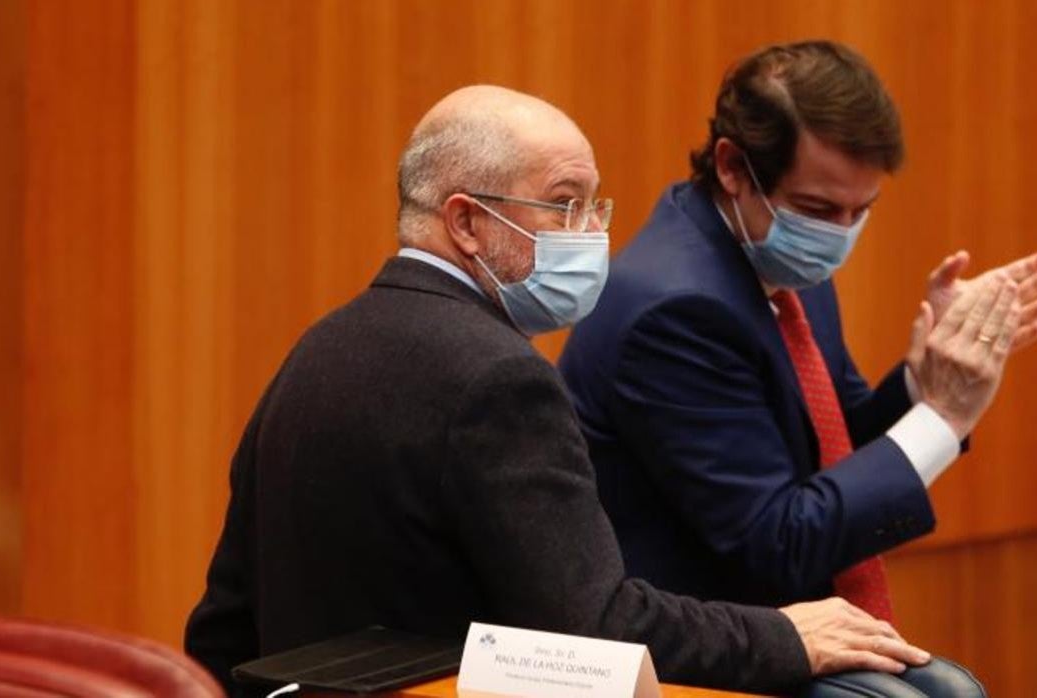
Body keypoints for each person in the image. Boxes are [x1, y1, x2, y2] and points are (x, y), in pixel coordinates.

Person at [183, 85, 941, 697]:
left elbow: (224, 625)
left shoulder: (319, 347)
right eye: (566, 203)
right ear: (467, 223)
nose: (590, 232)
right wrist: (786, 637)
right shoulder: (500, 380)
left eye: (594, 204)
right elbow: (595, 629)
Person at [558, 41, 1037, 696]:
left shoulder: (775, 253)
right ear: (733, 167)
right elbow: (779, 542)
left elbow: (833, 441)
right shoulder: (675, 308)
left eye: (863, 211)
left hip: (779, 606)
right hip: (691, 642)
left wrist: (926, 380)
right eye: (822, 211)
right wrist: (943, 417)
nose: (841, 234)